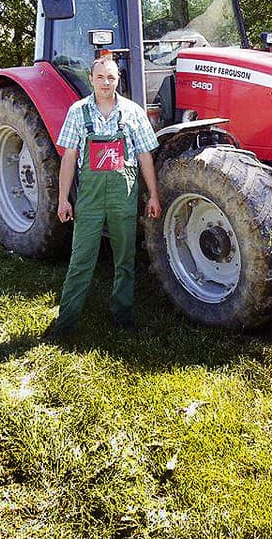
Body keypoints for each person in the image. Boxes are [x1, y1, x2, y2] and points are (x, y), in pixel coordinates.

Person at [43, 55, 160, 339]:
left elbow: (145, 156)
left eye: (111, 77)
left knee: (125, 258)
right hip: (91, 199)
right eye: (100, 77)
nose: (106, 83)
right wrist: (63, 199)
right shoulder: (77, 112)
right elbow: (69, 159)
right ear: (91, 79)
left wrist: (153, 196)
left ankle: (123, 317)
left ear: (118, 80)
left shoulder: (133, 113)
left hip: (124, 196)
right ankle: (65, 325)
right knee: (81, 259)